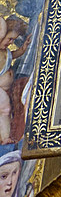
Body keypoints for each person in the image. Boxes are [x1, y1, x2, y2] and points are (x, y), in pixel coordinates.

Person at [0, 16, 29, 145]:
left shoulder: (6, 52)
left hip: (7, 90)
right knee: (5, 109)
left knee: (9, 112)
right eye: (9, 38)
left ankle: (9, 136)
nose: (11, 42)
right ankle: (6, 138)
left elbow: (17, 53)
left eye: (14, 40)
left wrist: (25, 46)